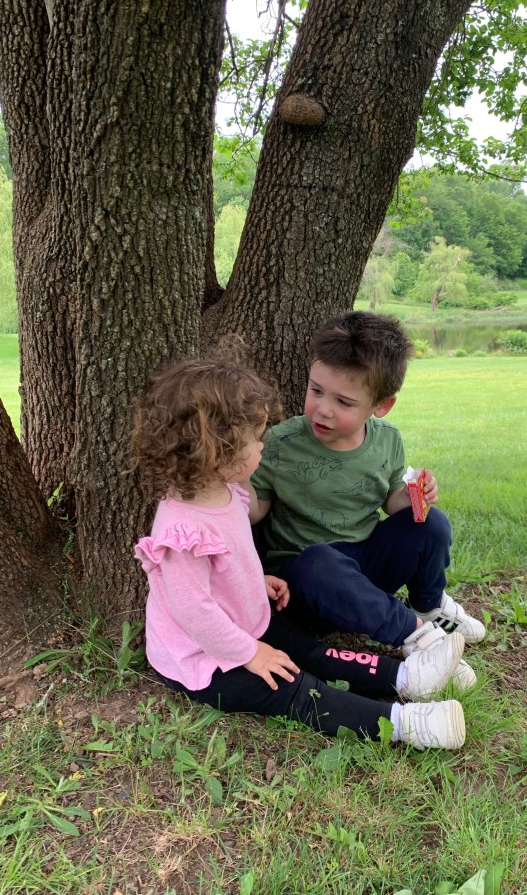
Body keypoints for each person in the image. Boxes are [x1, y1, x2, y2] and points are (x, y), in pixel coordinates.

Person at [131, 356, 472, 750]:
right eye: (255, 439)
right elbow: (194, 612)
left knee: (311, 652)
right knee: (295, 687)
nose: (262, 445)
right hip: (205, 661)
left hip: (243, 623)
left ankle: (409, 677)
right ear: (220, 452)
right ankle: (403, 723)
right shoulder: (182, 530)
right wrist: (250, 654)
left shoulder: (226, 492)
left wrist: (253, 580)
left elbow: (223, 563)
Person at [247, 311, 486, 678]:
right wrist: (235, 481)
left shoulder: (387, 440)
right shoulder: (282, 442)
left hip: (364, 563)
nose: (323, 409)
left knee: (431, 523)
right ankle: (417, 638)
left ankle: (429, 607)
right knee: (319, 562)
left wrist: (414, 497)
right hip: (306, 580)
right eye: (316, 390)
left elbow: (391, 500)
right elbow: (256, 511)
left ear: (381, 406)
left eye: (343, 402)